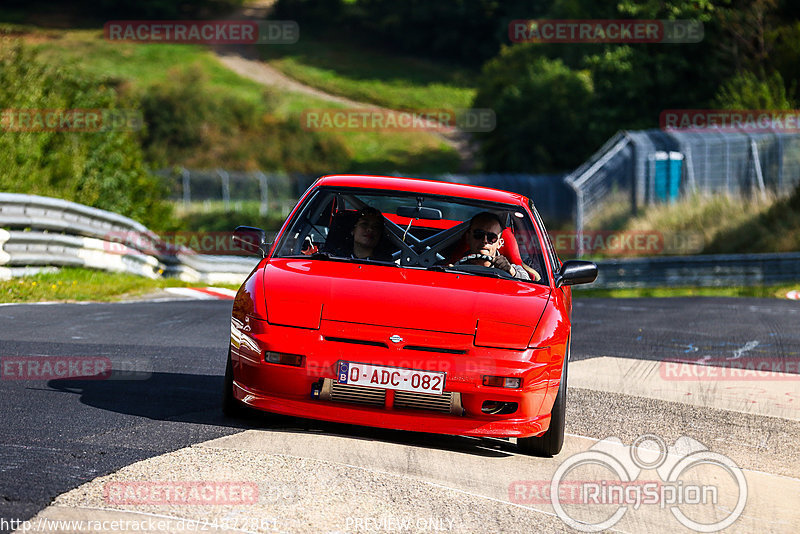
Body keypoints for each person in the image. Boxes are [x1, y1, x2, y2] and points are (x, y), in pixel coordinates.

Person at [455, 212, 530, 280]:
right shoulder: (454, 266)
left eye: (492, 237)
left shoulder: (513, 270)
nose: (485, 240)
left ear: (500, 243)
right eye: (478, 234)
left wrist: (511, 271)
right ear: (468, 238)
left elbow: (528, 285)